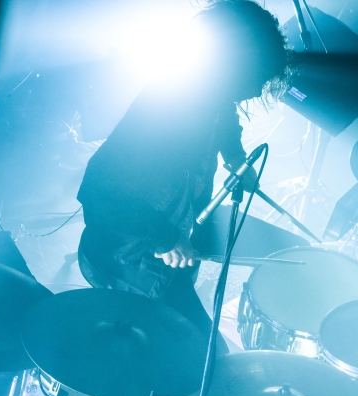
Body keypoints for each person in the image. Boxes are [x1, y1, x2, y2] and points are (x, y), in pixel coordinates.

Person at [76, 0, 290, 350]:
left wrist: (235, 157)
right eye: (257, 78)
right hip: (126, 258)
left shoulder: (214, 96)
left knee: (186, 352)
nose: (255, 91)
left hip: (162, 254)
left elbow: (226, 122)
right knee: (203, 355)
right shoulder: (170, 105)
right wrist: (166, 237)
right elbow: (97, 189)